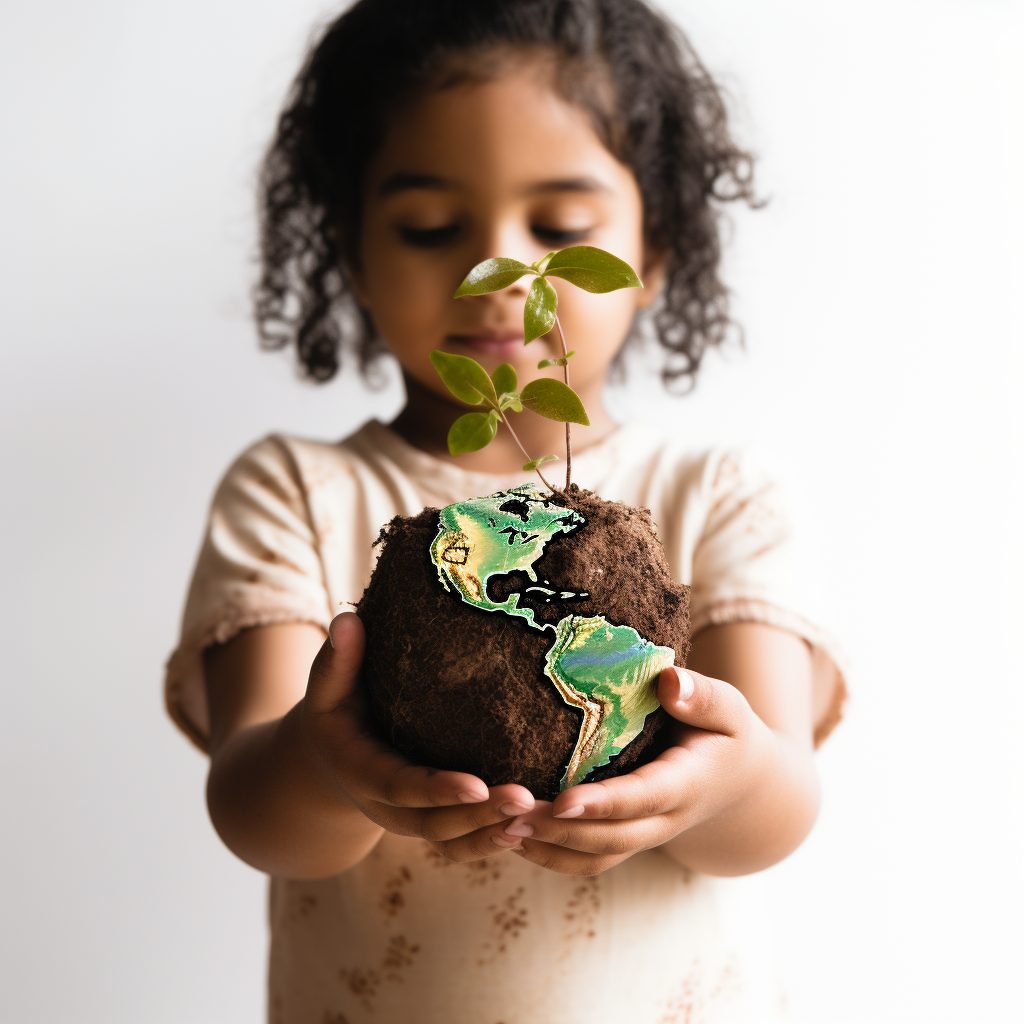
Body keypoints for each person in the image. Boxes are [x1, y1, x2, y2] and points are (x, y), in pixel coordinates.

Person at [165, 2, 846, 1021]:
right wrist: (325, 759)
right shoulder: (295, 491)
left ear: (650, 253)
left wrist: (714, 789)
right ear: (349, 251)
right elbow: (259, 811)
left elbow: (776, 801)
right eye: (431, 226)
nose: (500, 275)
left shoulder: (714, 494)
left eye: (561, 230)